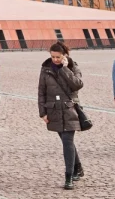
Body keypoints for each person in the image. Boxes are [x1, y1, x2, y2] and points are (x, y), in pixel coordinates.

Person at [38, 41, 85, 190]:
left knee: (67, 141)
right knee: (67, 142)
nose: (55, 60)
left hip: (69, 109)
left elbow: (77, 84)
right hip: (53, 110)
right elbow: (41, 91)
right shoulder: (45, 69)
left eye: (58, 57)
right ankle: (78, 167)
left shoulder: (72, 66)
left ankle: (69, 176)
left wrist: (65, 69)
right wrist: (42, 112)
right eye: (53, 57)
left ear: (64, 55)